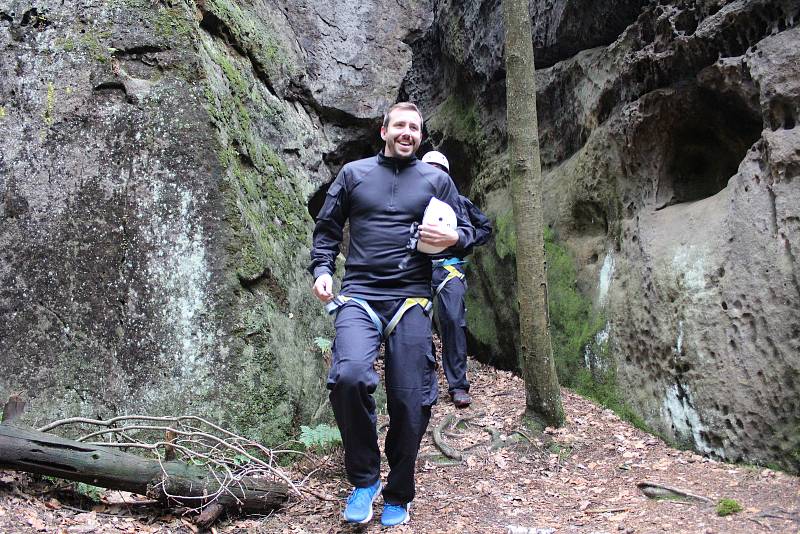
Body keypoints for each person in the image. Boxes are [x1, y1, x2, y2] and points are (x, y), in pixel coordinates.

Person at [309, 102, 475, 527]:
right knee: (347, 378)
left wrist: (453, 235)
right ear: (384, 130)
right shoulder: (353, 174)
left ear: (420, 136)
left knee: (411, 401)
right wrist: (323, 268)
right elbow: (326, 229)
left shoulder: (435, 180)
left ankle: (399, 492)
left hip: (411, 300)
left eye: (414, 128)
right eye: (399, 125)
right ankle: (364, 480)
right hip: (360, 296)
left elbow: (471, 231)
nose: (406, 132)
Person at [421, 150, 493, 408]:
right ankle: (425, 384)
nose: (433, 174)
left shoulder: (459, 202)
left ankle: (458, 385)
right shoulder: (413, 200)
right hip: (417, 268)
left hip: (449, 268)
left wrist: (462, 240)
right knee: (417, 326)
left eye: (437, 170)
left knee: (452, 320)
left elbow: (484, 228)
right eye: (428, 169)